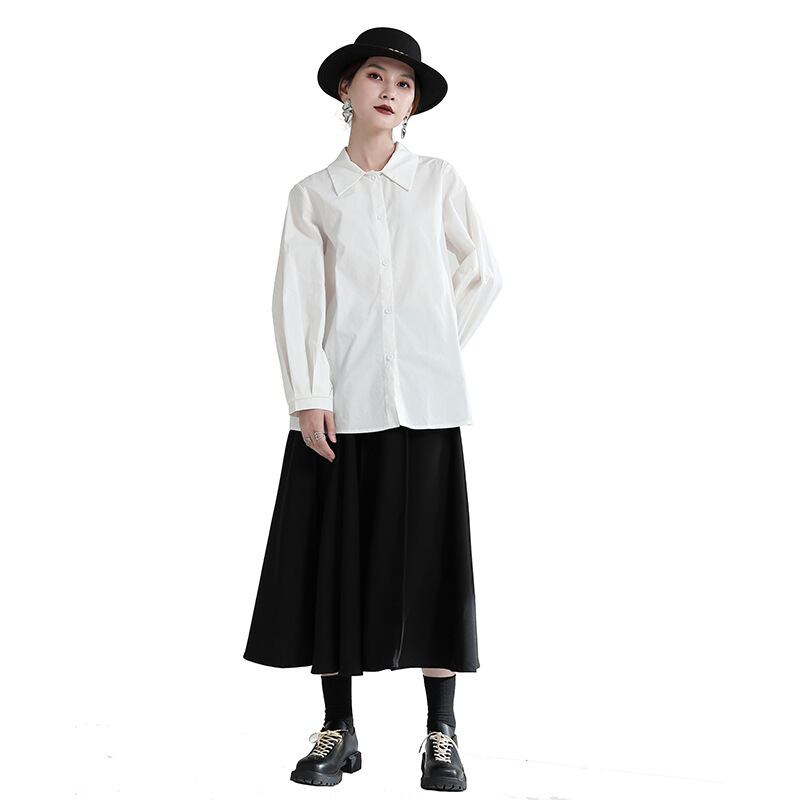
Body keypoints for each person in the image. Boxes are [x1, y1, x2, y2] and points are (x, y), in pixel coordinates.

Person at [242, 27, 502, 792]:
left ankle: (441, 732)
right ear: (345, 90)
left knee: (434, 568)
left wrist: (432, 346)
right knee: (338, 567)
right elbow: (297, 300)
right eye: (376, 76)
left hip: (427, 406)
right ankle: (338, 728)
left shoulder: (438, 182)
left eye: (404, 84)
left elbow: (483, 273)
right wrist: (307, 396)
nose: (390, 91)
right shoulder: (313, 195)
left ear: (413, 105)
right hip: (341, 409)